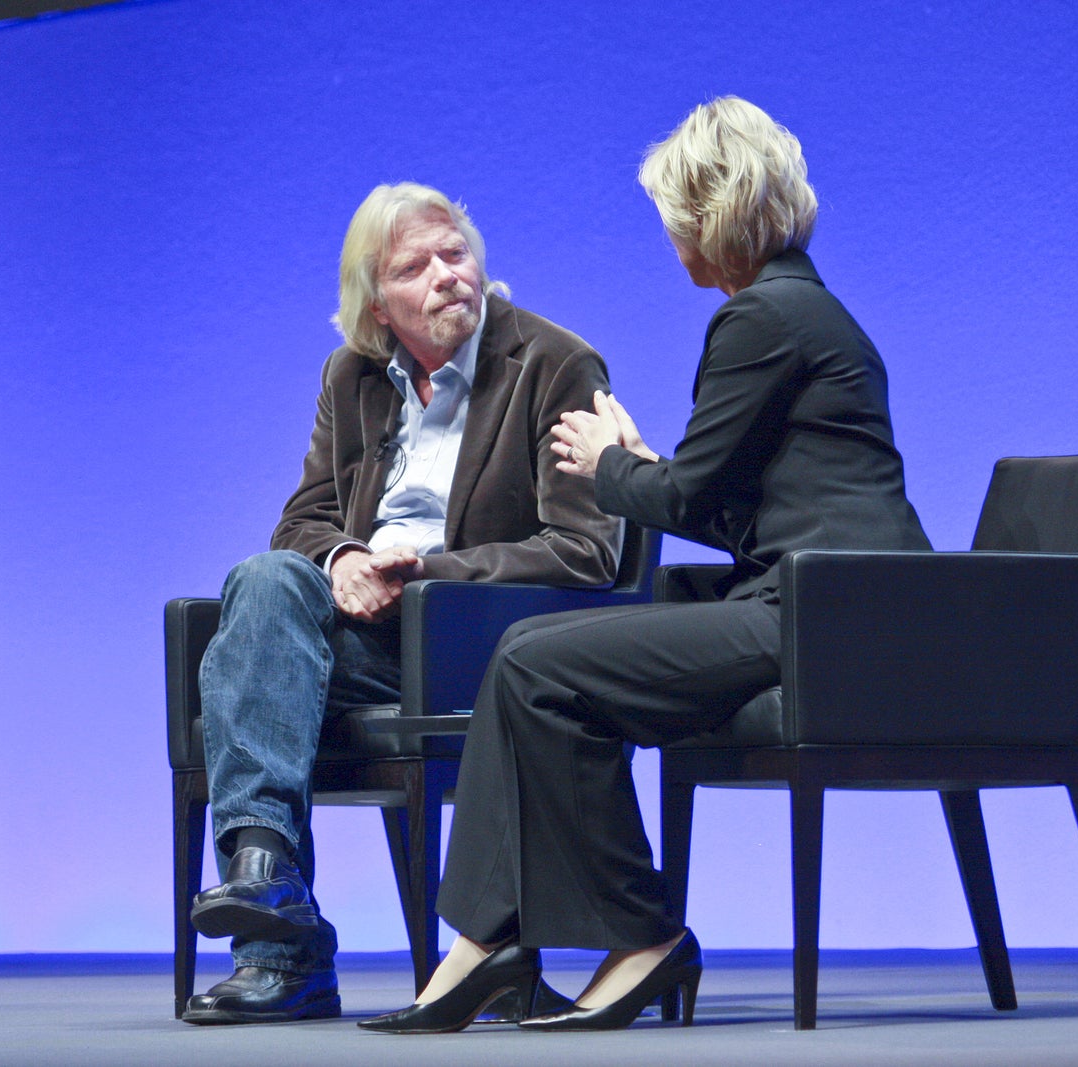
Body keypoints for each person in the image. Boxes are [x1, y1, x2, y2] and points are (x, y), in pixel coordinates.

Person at [360, 97, 932, 1035]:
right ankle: (487, 942)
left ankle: (627, 940)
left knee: (538, 661)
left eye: (674, 219)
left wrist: (607, 464)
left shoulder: (760, 321)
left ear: (713, 214)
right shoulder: (804, 311)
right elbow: (730, 504)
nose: (671, 242)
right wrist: (645, 471)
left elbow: (684, 501)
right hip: (823, 601)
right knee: (538, 661)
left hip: (819, 614)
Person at [183, 182, 622, 1025]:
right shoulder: (352, 377)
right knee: (266, 580)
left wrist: (431, 571)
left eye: (454, 255)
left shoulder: (553, 363)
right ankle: (268, 885)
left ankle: (283, 955)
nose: (445, 277)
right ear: (378, 305)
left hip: (471, 639)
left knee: (257, 646)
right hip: (354, 632)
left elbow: (585, 549)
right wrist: (345, 558)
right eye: (415, 267)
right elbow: (301, 519)